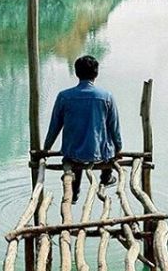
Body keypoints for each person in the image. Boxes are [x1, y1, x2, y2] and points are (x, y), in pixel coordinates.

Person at [44, 55, 122, 203]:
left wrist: (46, 148)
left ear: (76, 73)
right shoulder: (106, 97)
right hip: (100, 155)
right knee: (106, 139)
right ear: (96, 73)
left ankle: (74, 191)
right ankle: (106, 177)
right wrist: (118, 148)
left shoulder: (64, 96)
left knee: (75, 153)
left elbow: (55, 126)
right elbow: (114, 127)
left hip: (73, 153)